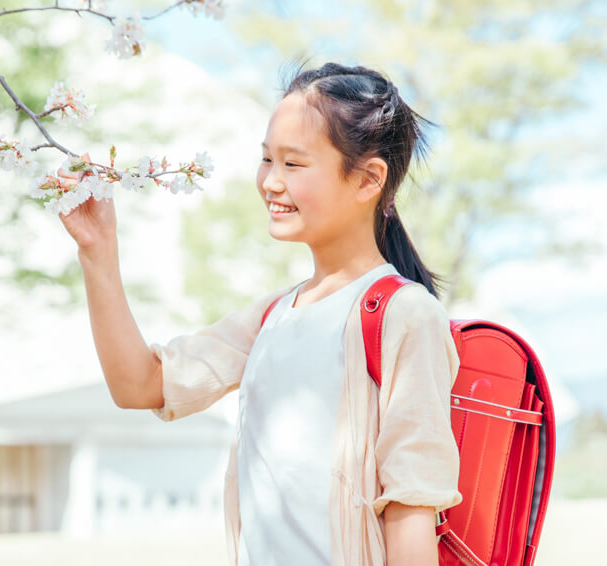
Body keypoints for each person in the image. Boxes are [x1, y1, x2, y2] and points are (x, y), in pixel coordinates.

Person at [57, 60, 462, 566]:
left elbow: (412, 508)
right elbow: (140, 384)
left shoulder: (405, 316)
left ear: (367, 180)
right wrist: (98, 251)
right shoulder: (274, 315)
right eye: (266, 159)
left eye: (293, 164)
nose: (270, 181)